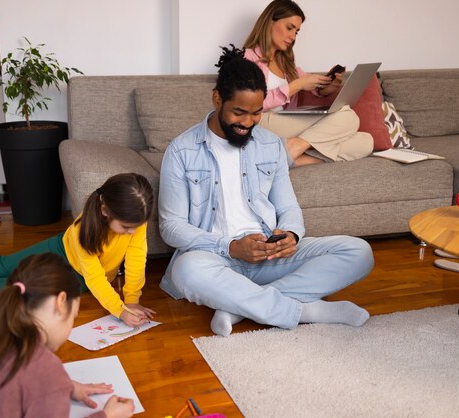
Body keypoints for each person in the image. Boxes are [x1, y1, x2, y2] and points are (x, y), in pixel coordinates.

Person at [158, 45, 374, 337]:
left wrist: (291, 234)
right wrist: (231, 247)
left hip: (269, 257)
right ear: (217, 98)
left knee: (358, 251)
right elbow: (171, 228)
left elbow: (288, 209)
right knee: (186, 271)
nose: (248, 123)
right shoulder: (181, 150)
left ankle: (237, 307)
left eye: (257, 113)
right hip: (216, 259)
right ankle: (307, 311)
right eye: (239, 112)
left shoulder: (270, 145)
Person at [0, 173, 155, 327]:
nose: (133, 232)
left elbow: (135, 261)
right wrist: (119, 311)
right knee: (3, 265)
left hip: (78, 279)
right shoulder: (83, 230)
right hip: (60, 252)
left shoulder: (136, 223)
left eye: (136, 226)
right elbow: (95, 275)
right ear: (104, 211)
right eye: (126, 227)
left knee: (17, 289)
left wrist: (131, 301)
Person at [0, 253, 135, 418]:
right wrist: (107, 416)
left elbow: (3, 387)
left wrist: (65, 386)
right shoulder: (47, 372)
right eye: (73, 316)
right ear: (60, 303)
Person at [243, 0, 373, 166]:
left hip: (286, 124)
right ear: (270, 22)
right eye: (289, 28)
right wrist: (297, 85)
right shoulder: (247, 59)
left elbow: (312, 86)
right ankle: (295, 147)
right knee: (349, 117)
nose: (293, 36)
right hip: (261, 122)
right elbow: (249, 105)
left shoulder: (287, 65)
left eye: (296, 32)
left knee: (366, 141)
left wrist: (326, 87)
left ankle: (294, 155)